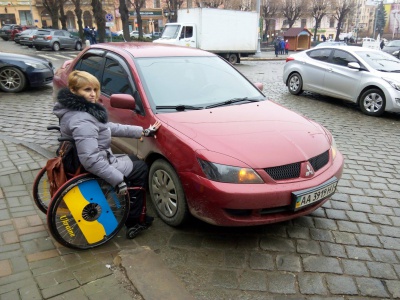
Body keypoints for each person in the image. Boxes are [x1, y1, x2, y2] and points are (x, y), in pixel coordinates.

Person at [53, 70, 161, 238]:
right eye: (87, 90)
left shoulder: (76, 111)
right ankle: (134, 221)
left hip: (76, 158)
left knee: (133, 159)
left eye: (95, 90)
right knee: (141, 168)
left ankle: (127, 205)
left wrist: (141, 131)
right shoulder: (83, 120)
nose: (93, 94)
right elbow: (90, 159)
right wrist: (117, 180)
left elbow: (107, 127)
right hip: (90, 162)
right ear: (74, 91)